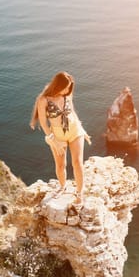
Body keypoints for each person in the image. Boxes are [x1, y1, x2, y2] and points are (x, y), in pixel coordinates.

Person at [30, 71, 91, 205]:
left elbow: (73, 113)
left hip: (75, 131)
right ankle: (62, 187)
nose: (67, 90)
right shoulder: (43, 100)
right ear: (57, 85)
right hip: (57, 135)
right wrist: (54, 141)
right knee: (60, 164)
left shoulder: (67, 95)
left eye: (69, 87)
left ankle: (80, 193)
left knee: (77, 163)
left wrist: (82, 129)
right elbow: (44, 124)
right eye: (66, 87)